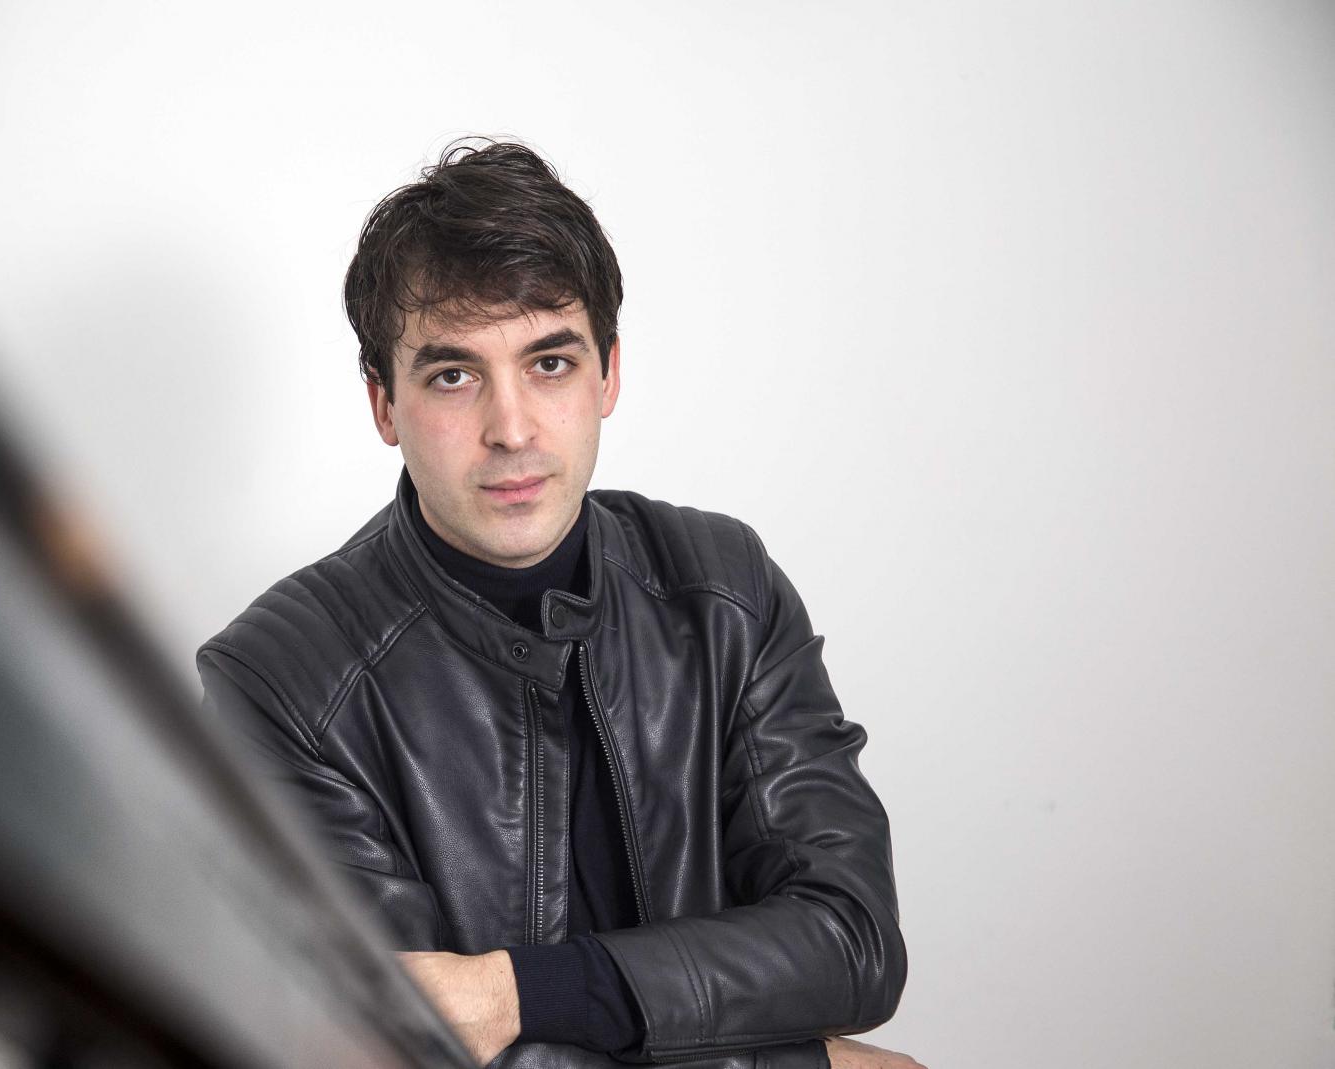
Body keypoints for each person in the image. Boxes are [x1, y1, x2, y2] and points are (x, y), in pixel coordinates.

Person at [197, 139, 920, 1069]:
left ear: (608, 374)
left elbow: (853, 943)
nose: (511, 429)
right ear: (383, 404)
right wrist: (801, 1063)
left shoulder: (725, 592)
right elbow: (396, 1046)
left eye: (549, 363)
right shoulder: (283, 681)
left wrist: (514, 992)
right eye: (453, 375)